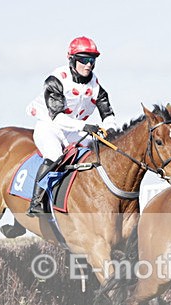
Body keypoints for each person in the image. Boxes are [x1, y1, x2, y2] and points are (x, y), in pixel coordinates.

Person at [26, 36, 118, 215]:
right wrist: (85, 127)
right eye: (84, 60)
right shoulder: (56, 80)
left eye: (92, 60)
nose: (89, 65)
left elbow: (107, 113)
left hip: (74, 130)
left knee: (98, 150)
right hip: (50, 127)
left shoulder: (96, 85)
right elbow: (57, 117)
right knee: (55, 155)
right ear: (72, 59)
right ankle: (36, 202)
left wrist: (111, 129)